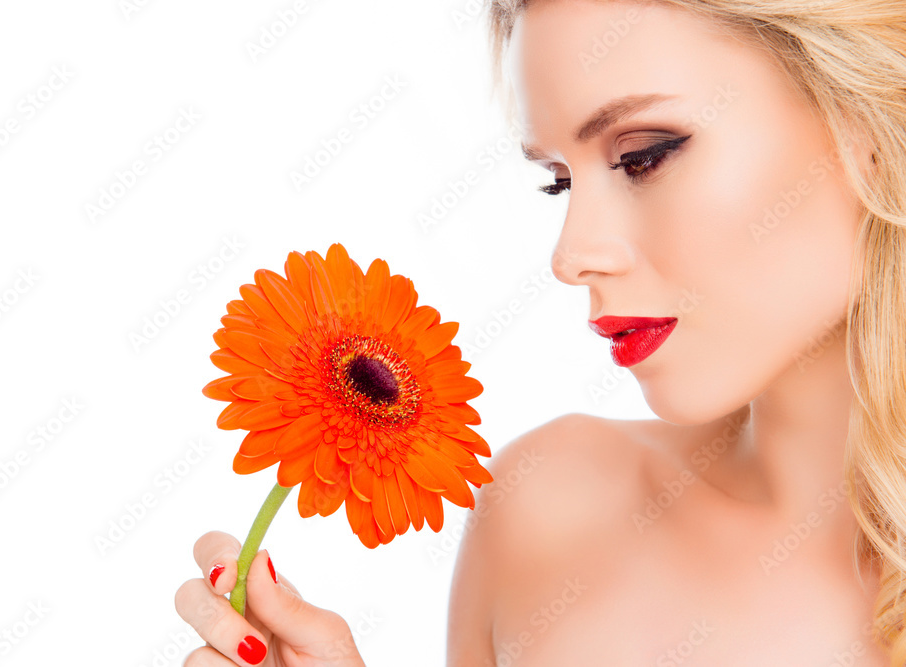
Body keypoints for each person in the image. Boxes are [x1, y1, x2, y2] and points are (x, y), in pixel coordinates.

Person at [175, 0, 906, 663]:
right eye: (560, 180)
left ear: (865, 117)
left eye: (644, 155)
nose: (571, 254)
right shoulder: (543, 511)